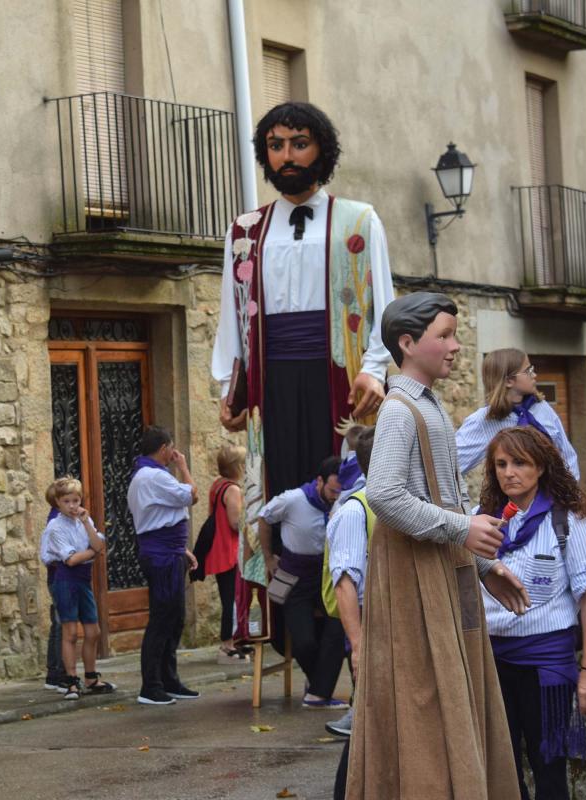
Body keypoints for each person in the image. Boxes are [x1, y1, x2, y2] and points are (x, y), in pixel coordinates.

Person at [346, 292, 528, 800]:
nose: (455, 346)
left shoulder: (428, 404)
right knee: (423, 697)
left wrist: (485, 564)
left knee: (448, 689)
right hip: (413, 576)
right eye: (443, 335)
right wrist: (461, 533)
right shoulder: (401, 410)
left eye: (453, 334)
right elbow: (383, 495)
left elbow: (447, 497)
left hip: (443, 568)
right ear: (407, 343)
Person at [211, 101, 394, 604]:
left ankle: (349, 612)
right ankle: (288, 616)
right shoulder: (245, 230)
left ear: (321, 149)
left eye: (298, 143)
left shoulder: (359, 220)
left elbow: (385, 309)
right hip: (272, 384)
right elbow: (234, 315)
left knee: (340, 486)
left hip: (338, 379)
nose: (286, 156)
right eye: (276, 146)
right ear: (265, 155)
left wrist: (375, 370)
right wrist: (231, 388)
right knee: (277, 494)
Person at [480, 426, 586, 800]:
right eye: (501, 464)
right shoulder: (481, 520)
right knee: (500, 769)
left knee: (548, 769)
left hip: (545, 667)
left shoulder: (566, 520)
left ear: (541, 468)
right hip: (491, 662)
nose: (509, 472)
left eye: (520, 463)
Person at [258, 455, 347, 709]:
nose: (334, 496)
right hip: (295, 577)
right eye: (331, 490)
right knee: (304, 641)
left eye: (338, 491)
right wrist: (267, 558)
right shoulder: (293, 499)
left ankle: (317, 693)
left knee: (340, 627)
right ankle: (319, 688)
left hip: (325, 577)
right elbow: (264, 518)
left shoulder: (341, 502)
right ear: (319, 481)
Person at [127, 425, 200, 706]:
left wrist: (182, 549)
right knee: (162, 618)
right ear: (164, 449)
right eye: (172, 448)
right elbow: (190, 495)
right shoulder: (153, 476)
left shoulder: (151, 476)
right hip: (161, 558)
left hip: (171, 553)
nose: (174, 453)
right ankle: (151, 685)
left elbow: (160, 515)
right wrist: (184, 467)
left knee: (175, 617)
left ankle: (170, 680)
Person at [326, 426, 375, 799]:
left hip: (390, 629)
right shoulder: (354, 510)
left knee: (373, 724)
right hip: (368, 629)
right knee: (366, 724)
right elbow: (345, 582)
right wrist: (358, 646)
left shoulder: (394, 504)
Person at [457, 348, 579, 479]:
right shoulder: (483, 420)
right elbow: (450, 467)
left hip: (552, 497)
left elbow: (567, 456)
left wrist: (568, 495)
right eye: (528, 371)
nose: (534, 375)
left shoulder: (542, 408)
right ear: (509, 381)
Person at [43, 477, 116, 700]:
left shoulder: (84, 521)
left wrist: (86, 524)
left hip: (83, 580)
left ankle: (91, 677)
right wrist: (94, 552)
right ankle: (71, 680)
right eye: (67, 501)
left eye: (76, 500)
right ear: (57, 503)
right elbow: (71, 559)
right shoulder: (55, 527)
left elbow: (99, 543)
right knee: (70, 632)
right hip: (65, 581)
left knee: (93, 631)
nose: (73, 506)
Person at [193, 444, 248, 663]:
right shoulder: (233, 489)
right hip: (229, 550)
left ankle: (232, 642)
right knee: (232, 599)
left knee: (229, 597)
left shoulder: (217, 485)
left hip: (219, 548)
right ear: (238, 467)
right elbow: (235, 523)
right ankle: (227, 646)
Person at [41, 501, 67, 692]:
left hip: (62, 578)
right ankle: (58, 673)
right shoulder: (56, 521)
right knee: (61, 625)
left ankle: (54, 673)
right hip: (60, 579)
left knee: (59, 624)